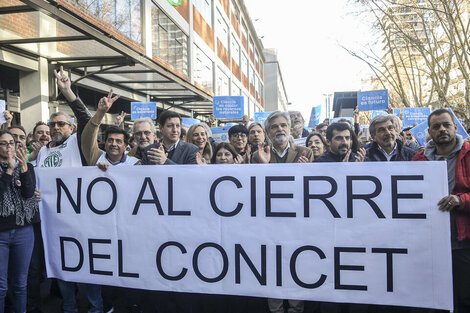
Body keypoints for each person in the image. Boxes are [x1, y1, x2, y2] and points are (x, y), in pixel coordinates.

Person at [252, 111, 313, 313]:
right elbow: (255, 190)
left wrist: (307, 174)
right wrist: (263, 165)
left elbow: (314, 191)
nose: (280, 129)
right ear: (268, 132)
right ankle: (276, 309)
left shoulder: (306, 153)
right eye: (275, 126)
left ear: (290, 128)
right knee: (273, 270)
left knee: (297, 267)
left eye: (283, 125)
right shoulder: (256, 156)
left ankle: (296, 308)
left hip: (298, 225)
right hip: (269, 225)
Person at [412, 108, 470, 313]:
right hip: (430, 244)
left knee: (464, 297)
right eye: (436, 127)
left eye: (446, 125)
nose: (442, 129)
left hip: (463, 242)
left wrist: (460, 200)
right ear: (429, 131)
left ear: (456, 127)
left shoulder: (469, 154)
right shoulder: (418, 160)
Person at [0, 130, 38, 313]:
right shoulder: (5, 168)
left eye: (11, 143)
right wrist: (9, 170)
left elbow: (28, 194)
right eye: (4, 143)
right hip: (1, 233)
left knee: (20, 284)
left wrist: (22, 169)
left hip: (23, 232)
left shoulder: (26, 166)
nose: (9, 146)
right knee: (1, 287)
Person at [81, 90, 138, 169]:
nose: (114, 144)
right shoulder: (96, 157)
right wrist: (100, 112)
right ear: (105, 143)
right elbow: (87, 140)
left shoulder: (135, 164)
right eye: (110, 140)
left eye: (118, 141)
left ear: (125, 146)